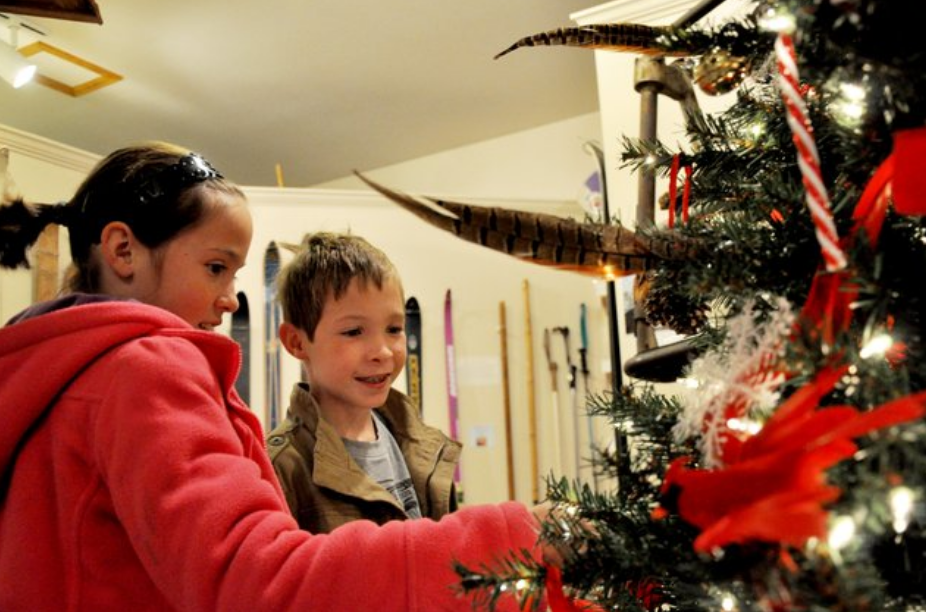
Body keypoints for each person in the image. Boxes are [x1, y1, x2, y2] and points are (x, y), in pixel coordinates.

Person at [0, 142, 559, 612]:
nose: (230, 299)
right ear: (123, 249)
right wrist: (514, 535)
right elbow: (261, 581)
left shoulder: (59, 371)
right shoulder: (143, 369)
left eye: (236, 272)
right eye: (216, 267)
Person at [266, 232, 459, 533]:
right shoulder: (282, 469)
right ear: (297, 342)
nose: (382, 352)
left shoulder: (421, 442)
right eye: (354, 331)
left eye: (394, 329)